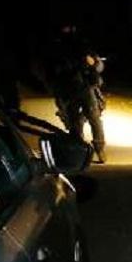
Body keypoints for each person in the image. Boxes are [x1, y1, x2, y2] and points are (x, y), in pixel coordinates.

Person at [43, 23, 107, 163]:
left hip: (85, 87)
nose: (66, 29)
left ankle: (99, 148)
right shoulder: (55, 47)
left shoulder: (82, 44)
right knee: (73, 121)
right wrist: (55, 86)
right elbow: (49, 71)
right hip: (67, 89)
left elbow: (98, 64)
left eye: (68, 27)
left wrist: (93, 63)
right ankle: (79, 150)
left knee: (93, 117)